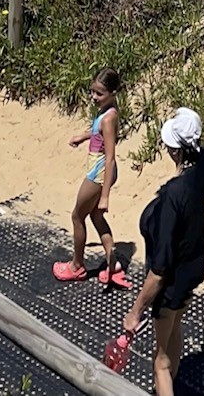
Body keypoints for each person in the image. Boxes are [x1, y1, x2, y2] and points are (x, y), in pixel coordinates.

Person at [118, 108, 204, 396]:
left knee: (159, 361)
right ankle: (170, 381)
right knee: (174, 327)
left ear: (175, 151)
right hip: (193, 268)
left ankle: (165, 383)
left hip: (171, 282)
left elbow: (159, 271)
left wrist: (135, 312)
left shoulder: (174, 196)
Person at [58, 72, 124, 280]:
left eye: (100, 93)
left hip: (99, 173)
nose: (94, 97)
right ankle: (113, 264)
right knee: (96, 216)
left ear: (113, 93)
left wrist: (105, 196)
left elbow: (111, 155)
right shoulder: (106, 112)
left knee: (78, 216)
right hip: (101, 170)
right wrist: (84, 136)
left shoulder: (108, 118)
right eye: (93, 92)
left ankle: (77, 266)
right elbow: (99, 134)